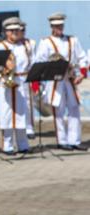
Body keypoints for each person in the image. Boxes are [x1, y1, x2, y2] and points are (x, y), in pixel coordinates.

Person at [35, 12, 88, 151]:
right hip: (54, 81)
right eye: (56, 26)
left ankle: (75, 140)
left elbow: (82, 57)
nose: (59, 28)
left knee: (74, 108)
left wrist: (82, 73)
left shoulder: (73, 40)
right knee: (58, 110)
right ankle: (62, 140)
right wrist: (38, 82)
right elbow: (39, 62)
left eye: (61, 25)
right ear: (51, 26)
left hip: (70, 79)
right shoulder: (45, 42)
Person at [0, 17, 31, 154]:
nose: (15, 32)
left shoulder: (25, 45)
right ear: (6, 32)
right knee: (7, 114)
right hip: (6, 82)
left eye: (17, 29)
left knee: (22, 113)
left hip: (22, 81)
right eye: (11, 30)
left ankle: (23, 144)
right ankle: (7, 145)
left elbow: (30, 63)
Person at [19, 21, 38, 140]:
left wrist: (35, 79)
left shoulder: (30, 43)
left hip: (27, 75)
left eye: (23, 30)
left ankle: (29, 127)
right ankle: (20, 127)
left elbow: (34, 60)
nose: (21, 32)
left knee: (28, 103)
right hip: (15, 76)